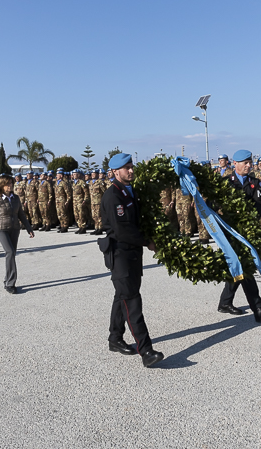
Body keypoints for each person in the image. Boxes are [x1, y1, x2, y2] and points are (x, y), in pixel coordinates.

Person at [100, 152, 163, 368]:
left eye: (131, 166)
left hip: (132, 254)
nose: (131, 170)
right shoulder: (113, 196)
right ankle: (146, 351)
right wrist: (147, 241)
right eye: (126, 168)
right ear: (115, 172)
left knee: (123, 297)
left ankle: (115, 338)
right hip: (121, 255)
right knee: (132, 301)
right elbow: (122, 230)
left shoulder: (129, 191)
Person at [218, 150, 261, 321]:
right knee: (244, 266)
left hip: (247, 231)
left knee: (240, 266)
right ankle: (258, 308)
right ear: (235, 164)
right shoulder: (225, 183)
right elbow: (214, 204)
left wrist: (248, 220)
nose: (249, 166)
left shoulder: (254, 182)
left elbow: (259, 205)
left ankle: (225, 302)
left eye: (250, 163)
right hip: (230, 232)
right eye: (245, 163)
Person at [0, 174, 35, 294]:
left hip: (14, 228)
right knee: (10, 252)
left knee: (12, 254)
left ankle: (7, 279)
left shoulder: (15, 198)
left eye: (11, 183)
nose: (10, 186)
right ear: (1, 185)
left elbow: (21, 214)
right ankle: (10, 283)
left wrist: (29, 228)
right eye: (7, 184)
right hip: (1, 229)